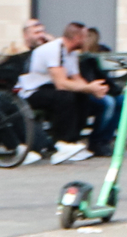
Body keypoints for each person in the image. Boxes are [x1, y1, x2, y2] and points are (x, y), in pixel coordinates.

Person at [19, 21, 105, 164]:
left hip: (51, 88)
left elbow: (76, 79)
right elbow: (61, 83)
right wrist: (89, 88)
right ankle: (61, 143)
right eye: (85, 37)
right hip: (32, 91)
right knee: (64, 95)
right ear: (77, 38)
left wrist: (93, 89)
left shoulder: (71, 53)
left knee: (82, 95)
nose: (87, 41)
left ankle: (73, 140)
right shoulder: (54, 49)